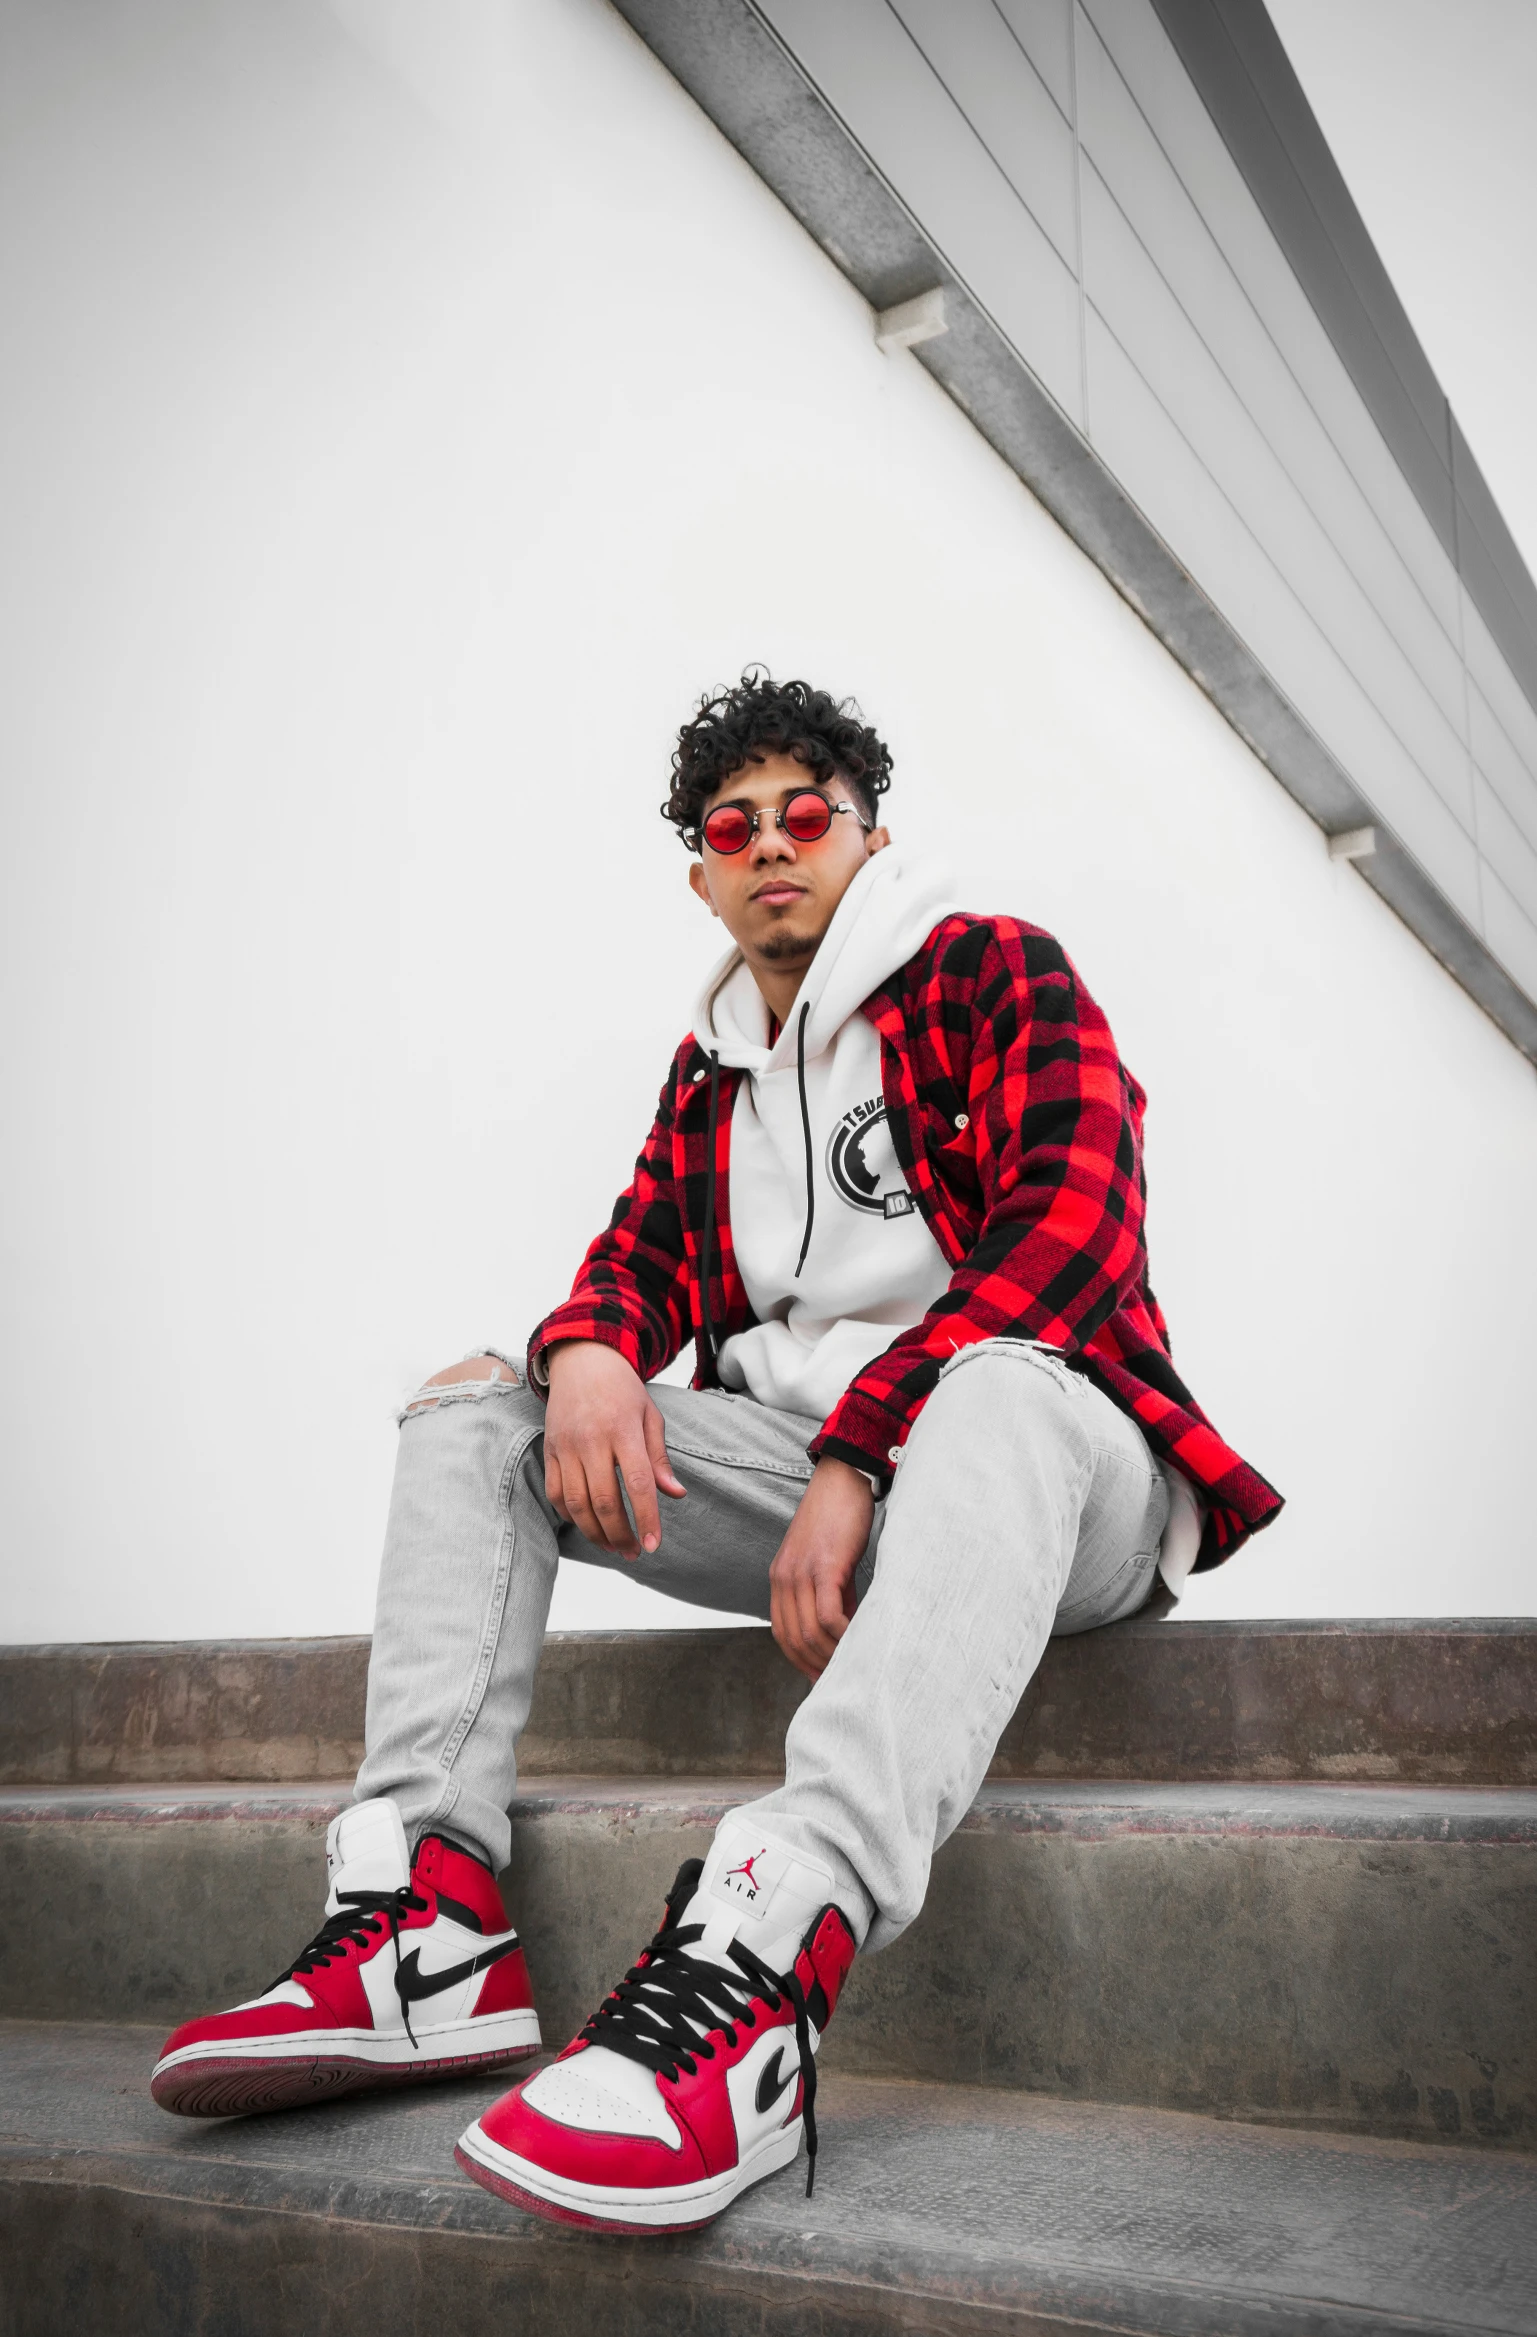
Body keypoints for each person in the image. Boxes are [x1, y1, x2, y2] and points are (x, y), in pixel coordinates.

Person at [151, 671, 1281, 2231]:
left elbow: (1072, 1239)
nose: (772, 843)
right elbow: (637, 1258)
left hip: (1053, 1483)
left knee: (1001, 1387)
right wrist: (593, 1350)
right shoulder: (715, 1072)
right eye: (732, 825)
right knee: (483, 1409)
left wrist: (866, 1447)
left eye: (806, 814)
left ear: (872, 837)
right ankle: (428, 1918)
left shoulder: (991, 972)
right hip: (822, 1499)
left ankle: (768, 1950)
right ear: (700, 869)